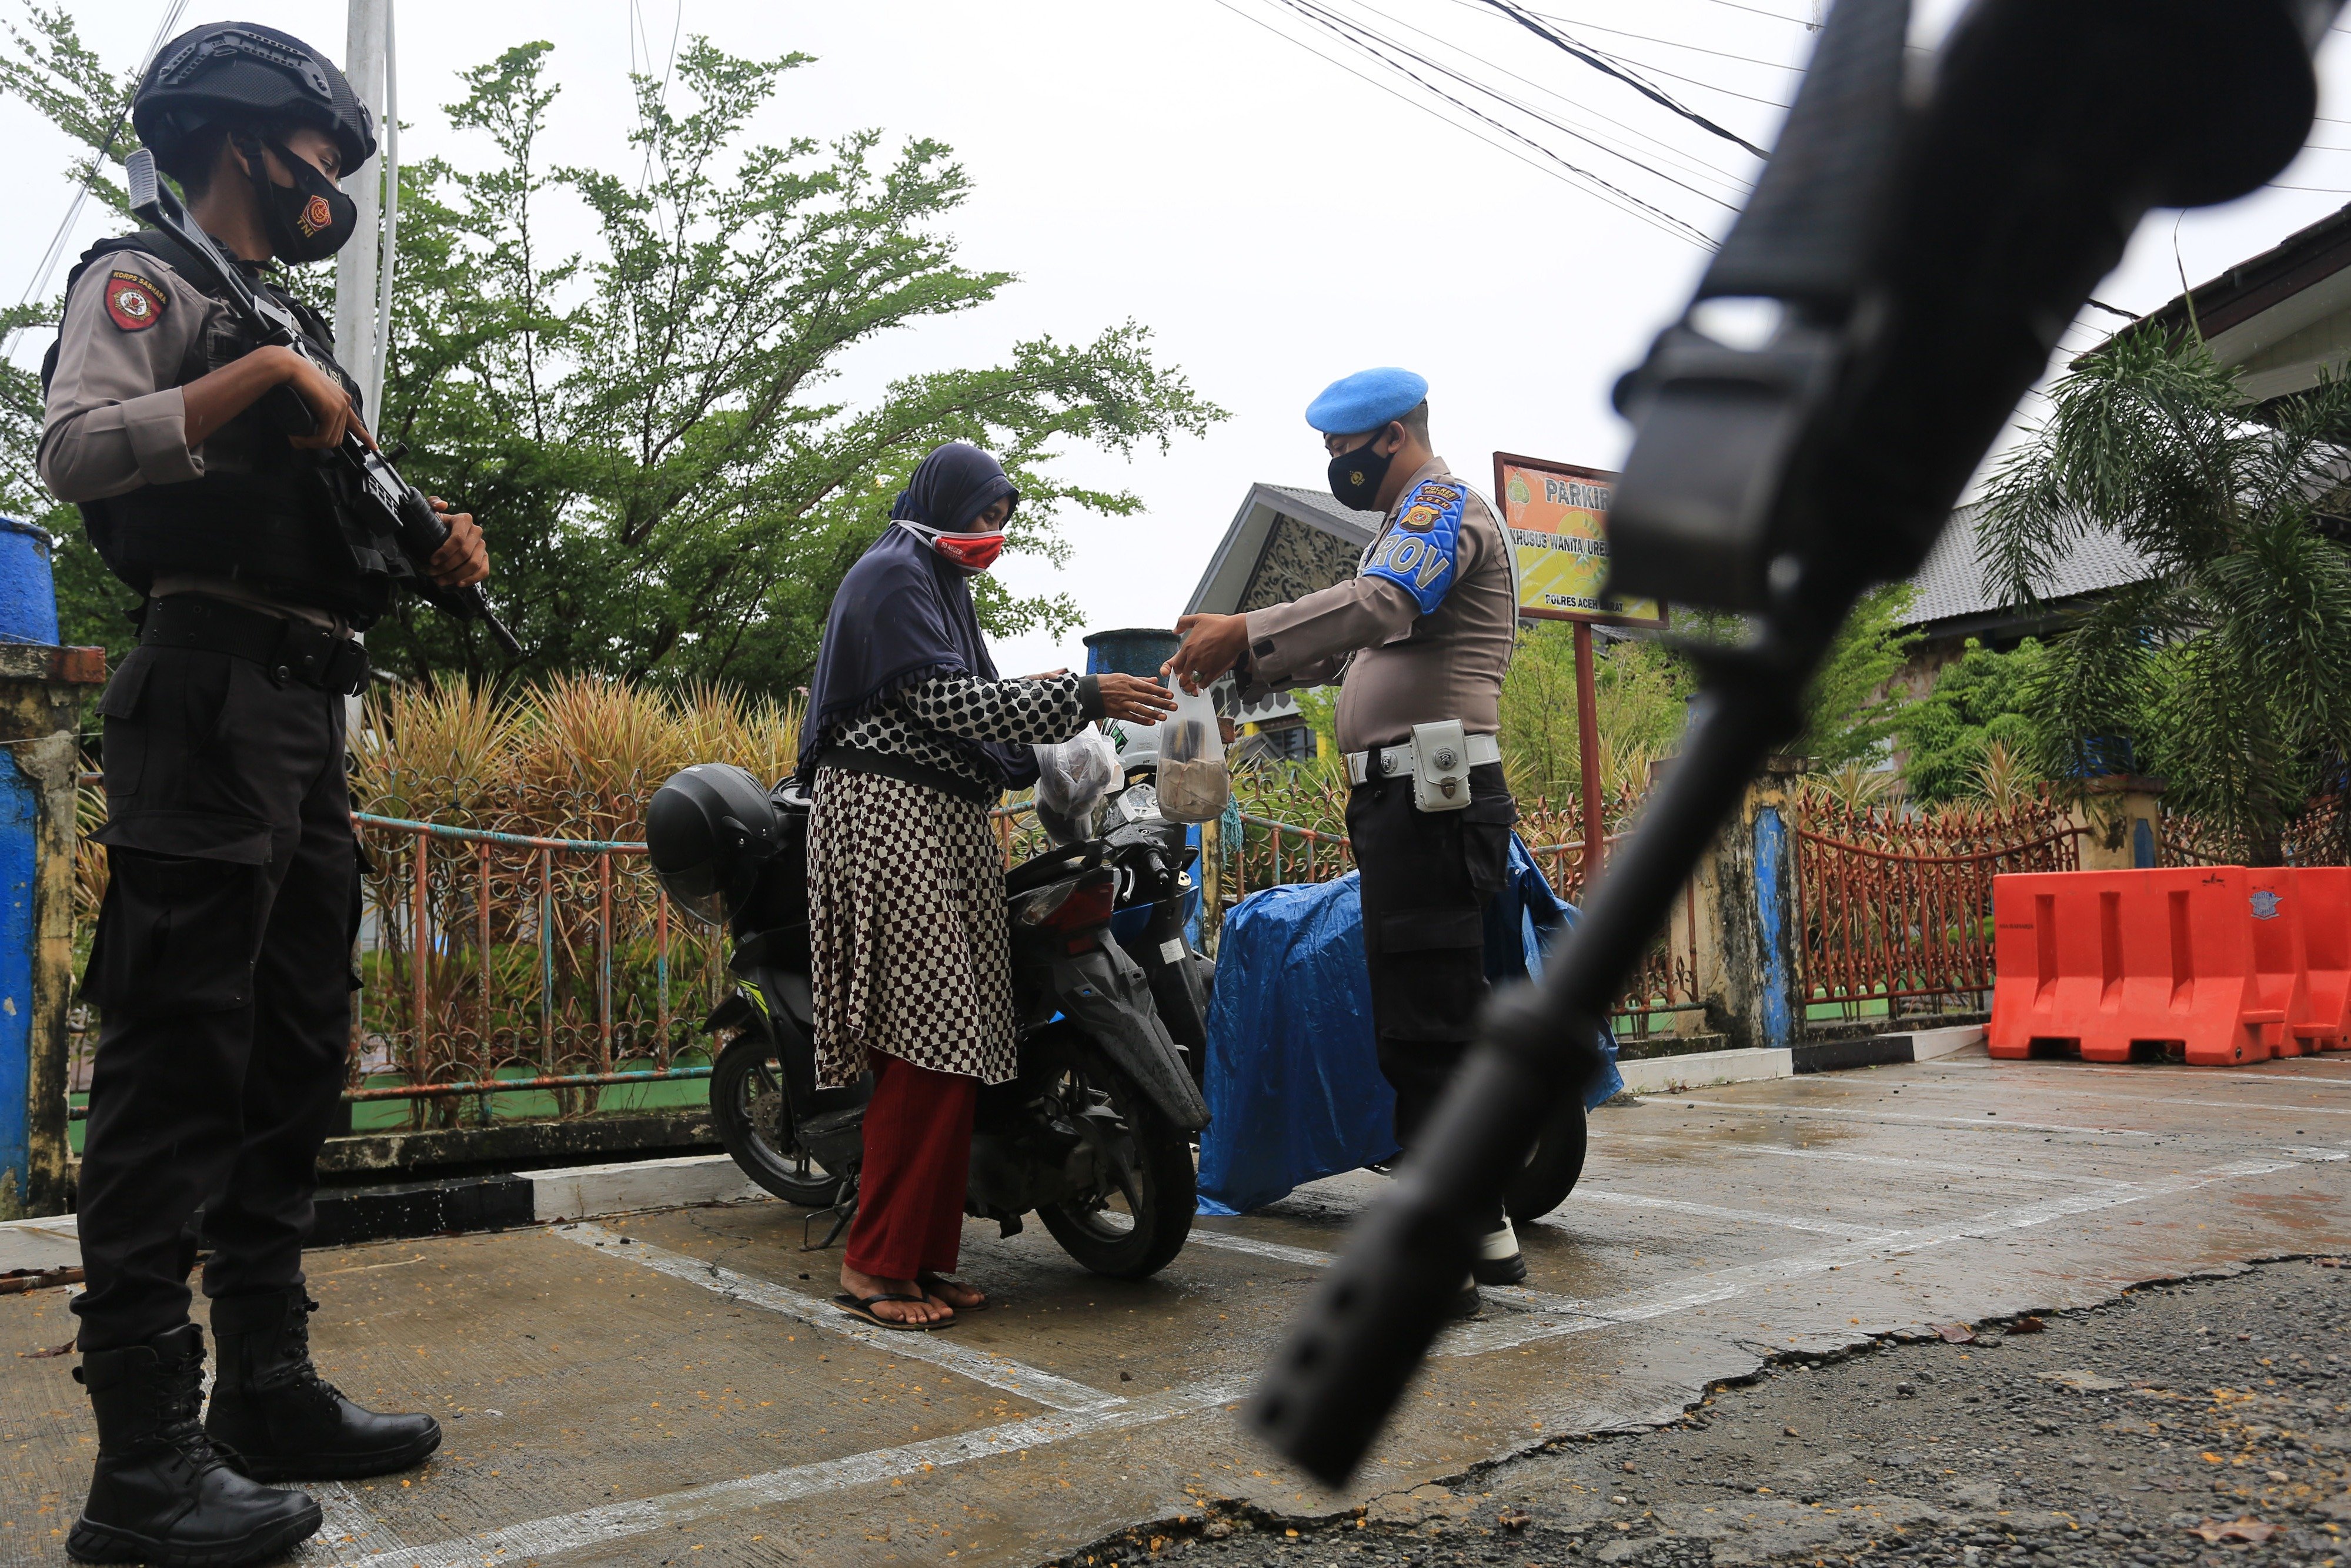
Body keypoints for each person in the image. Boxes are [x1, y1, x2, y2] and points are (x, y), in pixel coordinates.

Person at [39, 23, 487, 1567]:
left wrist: (425, 541)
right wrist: (260, 377)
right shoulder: (141, 281)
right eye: (313, 155)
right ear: (245, 136)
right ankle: (144, 1463)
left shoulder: (270, 315)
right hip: (205, 687)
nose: (325, 184)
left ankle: (267, 1388)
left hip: (302, 707)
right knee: (179, 1059)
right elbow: (79, 445)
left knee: (293, 1052)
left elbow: (316, 508)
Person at [1164, 368, 1521, 1317]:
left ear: (1395, 436)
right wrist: (1235, 658)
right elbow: (1344, 647)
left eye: (1343, 450)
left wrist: (1248, 623)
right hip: (1406, 805)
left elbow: (1378, 606)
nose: (1334, 468)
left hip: (1432, 800)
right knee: (1428, 1012)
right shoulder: (1402, 531)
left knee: (1425, 1022)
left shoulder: (1440, 512)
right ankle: (1479, 1220)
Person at [799, 442, 1176, 1330]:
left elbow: (972, 701)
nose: (991, 533)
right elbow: (947, 702)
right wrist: (1082, 697)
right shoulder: (892, 575)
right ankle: (874, 1266)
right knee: (924, 1049)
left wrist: (1050, 702)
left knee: (956, 1051)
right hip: (891, 822)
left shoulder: (938, 588)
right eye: (981, 516)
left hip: (942, 826)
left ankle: (923, 1261)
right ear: (941, 504)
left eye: (1002, 519)